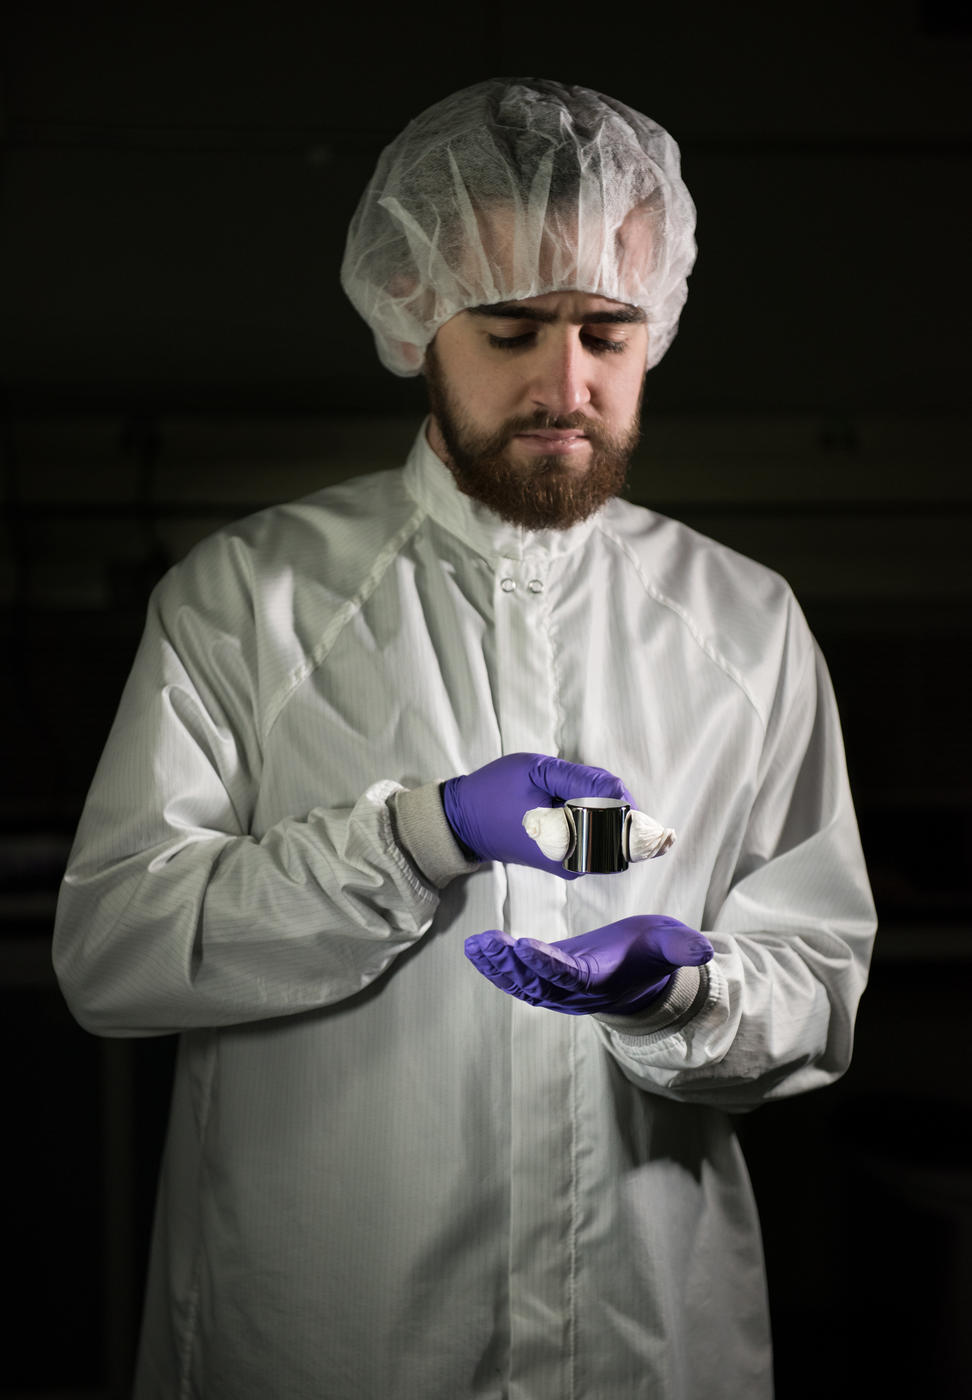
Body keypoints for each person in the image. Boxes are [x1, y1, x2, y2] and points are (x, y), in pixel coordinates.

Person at [53, 78, 876, 1399]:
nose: (568, 383)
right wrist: (416, 837)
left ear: (653, 327)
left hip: (646, 1349)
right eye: (511, 330)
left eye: (609, 332)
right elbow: (116, 956)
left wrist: (687, 994)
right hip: (330, 1342)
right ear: (414, 321)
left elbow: (818, 984)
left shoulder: (744, 623)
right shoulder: (253, 602)